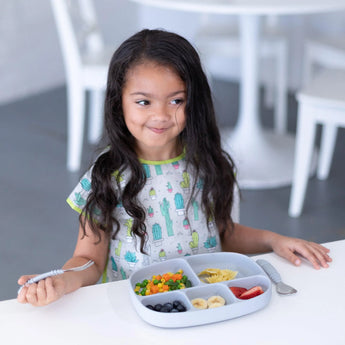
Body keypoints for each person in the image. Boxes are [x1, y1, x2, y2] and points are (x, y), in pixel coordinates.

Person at [17, 29, 331, 307]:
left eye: (176, 100)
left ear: (194, 100)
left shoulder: (210, 163)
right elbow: (88, 259)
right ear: (118, 102)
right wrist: (61, 280)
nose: (161, 116)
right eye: (143, 102)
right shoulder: (106, 174)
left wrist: (274, 240)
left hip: (208, 301)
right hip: (136, 308)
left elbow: (223, 233)